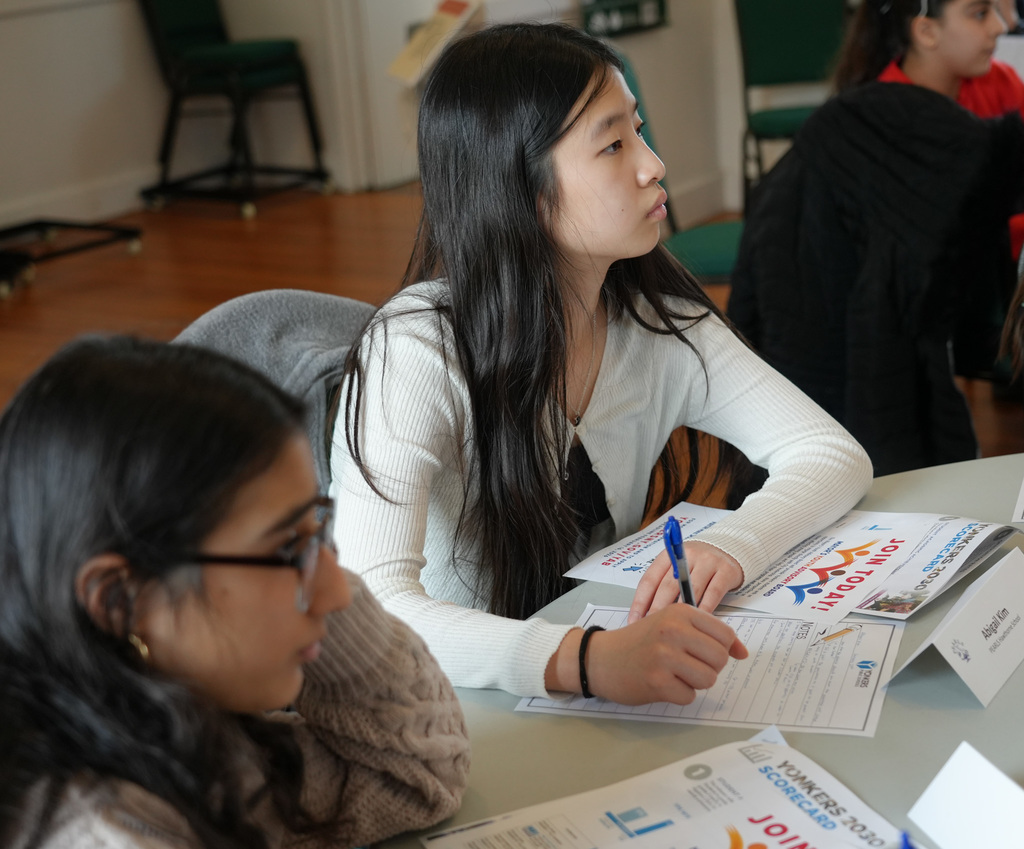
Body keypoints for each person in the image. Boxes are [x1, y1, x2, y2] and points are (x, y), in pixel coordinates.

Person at [332, 23, 872, 706]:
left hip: (578, 696)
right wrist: (583, 659)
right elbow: (370, 606)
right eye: (614, 145)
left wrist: (737, 543)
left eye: (637, 132)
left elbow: (830, 451)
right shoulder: (414, 350)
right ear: (519, 186)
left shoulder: (657, 324)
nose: (653, 165)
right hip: (450, 707)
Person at [0, 336, 470, 849]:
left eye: (316, 529)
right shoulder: (102, 833)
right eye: (285, 548)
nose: (339, 594)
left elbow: (413, 776)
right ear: (121, 600)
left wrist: (304, 558)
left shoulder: (193, 736)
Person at [834, 0, 1024, 256]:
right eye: (980, 14)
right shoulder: (883, 122)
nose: (999, 27)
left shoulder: (1002, 82)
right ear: (926, 31)